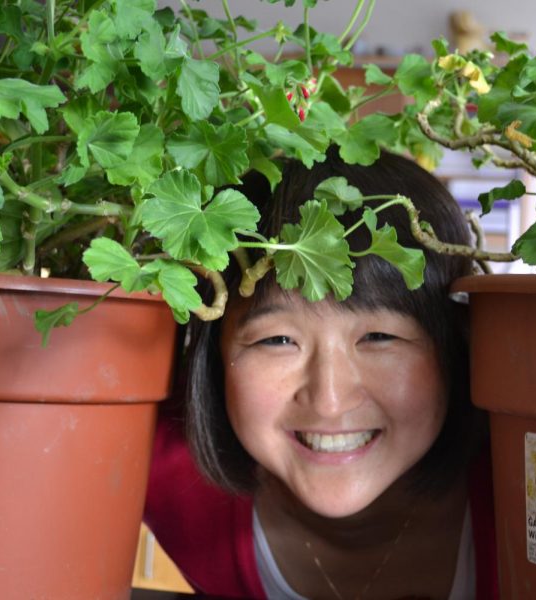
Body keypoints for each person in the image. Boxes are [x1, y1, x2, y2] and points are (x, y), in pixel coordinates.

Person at [144, 147, 498, 599]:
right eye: (277, 340)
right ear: (212, 354)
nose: (330, 401)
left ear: (456, 343)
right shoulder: (160, 472)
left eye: (379, 337)